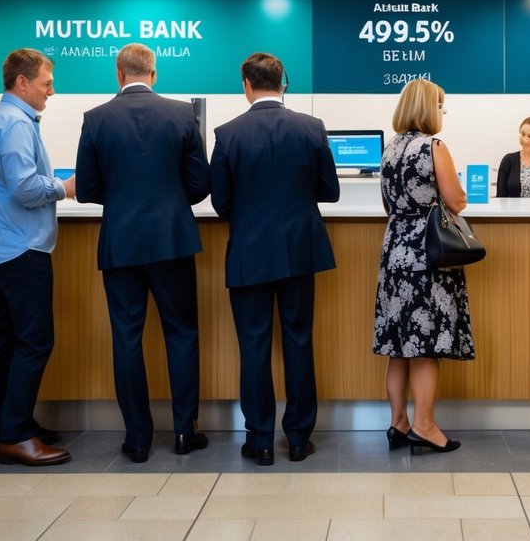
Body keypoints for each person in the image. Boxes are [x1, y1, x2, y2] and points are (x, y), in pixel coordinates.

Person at [75, 43, 212, 463]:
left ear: (119, 74)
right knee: (182, 333)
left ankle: (137, 438)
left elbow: (87, 188)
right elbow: (199, 183)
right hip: (171, 239)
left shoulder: (95, 119)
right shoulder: (180, 114)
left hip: (121, 243)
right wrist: (170, 199)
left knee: (127, 338)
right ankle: (185, 431)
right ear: (153, 74)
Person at [209, 52, 340, 466]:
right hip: (300, 250)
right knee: (299, 342)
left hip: (250, 253)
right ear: (282, 82)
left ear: (246, 84)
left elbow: (221, 202)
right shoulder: (311, 127)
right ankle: (299, 438)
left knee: (254, 346)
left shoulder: (227, 133)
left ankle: (260, 439)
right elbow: (330, 191)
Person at [0, 48, 76, 466]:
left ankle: (4, 426)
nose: (52, 91)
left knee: (2, 337)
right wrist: (63, 188)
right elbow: (26, 188)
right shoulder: (15, 123)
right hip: (20, 248)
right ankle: (15, 434)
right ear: (22, 83)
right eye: (47, 83)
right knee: (34, 340)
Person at [373, 78, 474, 455]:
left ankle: (398, 424)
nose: (443, 113)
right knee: (426, 345)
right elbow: (457, 201)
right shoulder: (433, 147)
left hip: (394, 250)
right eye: (441, 106)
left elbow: (389, 206)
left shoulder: (390, 148)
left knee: (399, 344)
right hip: (426, 257)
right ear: (428, 109)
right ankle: (425, 425)